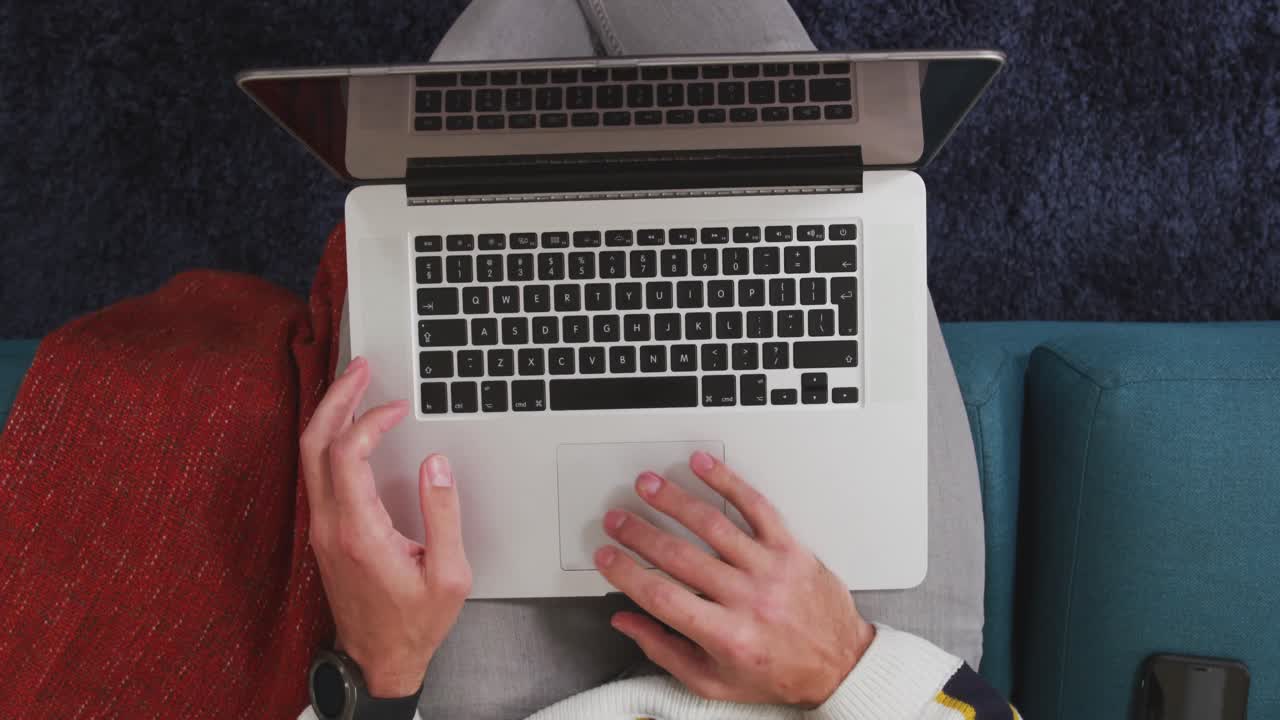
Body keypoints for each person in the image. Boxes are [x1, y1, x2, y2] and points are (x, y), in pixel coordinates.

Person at [299, 1, 1017, 718]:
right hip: (846, 681)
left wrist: (381, 668)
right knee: (817, 168)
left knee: (432, 185)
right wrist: (840, 662)